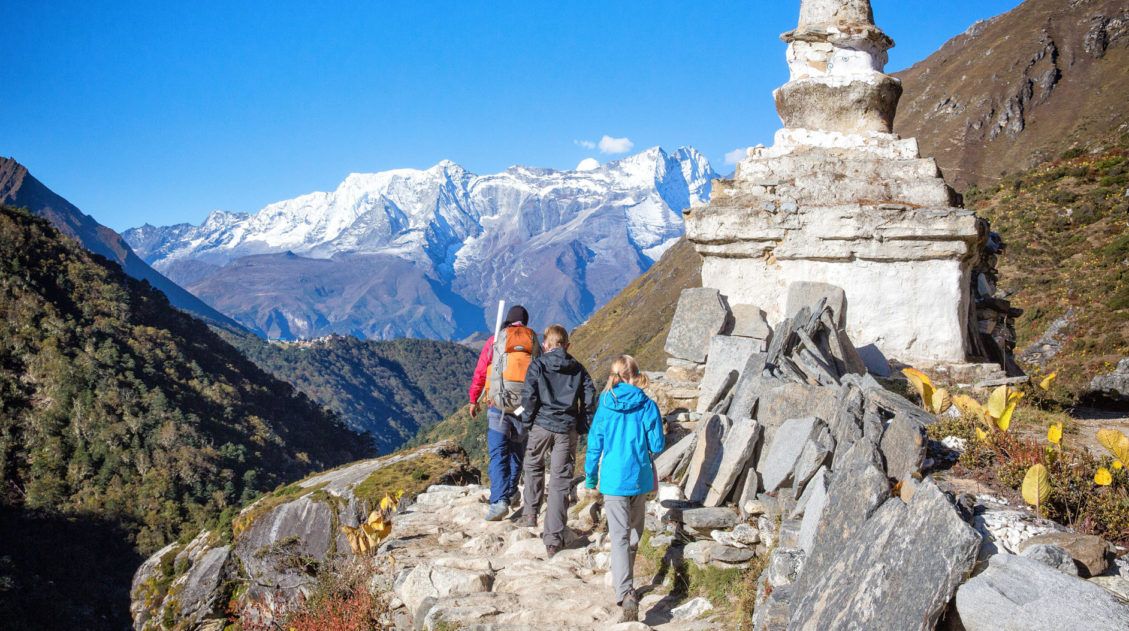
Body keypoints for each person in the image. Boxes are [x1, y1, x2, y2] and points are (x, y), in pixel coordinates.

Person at [584, 355, 665, 623]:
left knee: (618, 536)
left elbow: (595, 442)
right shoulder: (647, 405)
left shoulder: (605, 404)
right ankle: (627, 584)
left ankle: (625, 592)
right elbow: (657, 445)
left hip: (613, 480)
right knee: (633, 534)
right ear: (634, 375)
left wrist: (590, 476)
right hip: (639, 478)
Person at [519, 324, 596, 556]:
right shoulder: (578, 369)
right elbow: (590, 399)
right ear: (567, 345)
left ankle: (530, 514)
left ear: (545, 344)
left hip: (541, 425)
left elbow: (529, 396)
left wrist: (527, 421)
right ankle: (553, 539)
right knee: (560, 481)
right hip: (566, 428)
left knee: (533, 465)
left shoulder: (538, 365)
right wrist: (582, 424)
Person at [468, 305, 540, 521]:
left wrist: (473, 399)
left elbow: (481, 372)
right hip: (523, 407)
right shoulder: (533, 341)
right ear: (525, 322)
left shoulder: (495, 341)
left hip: (497, 404)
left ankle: (499, 500)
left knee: (498, 453)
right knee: (517, 451)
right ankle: (509, 492)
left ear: (508, 320)